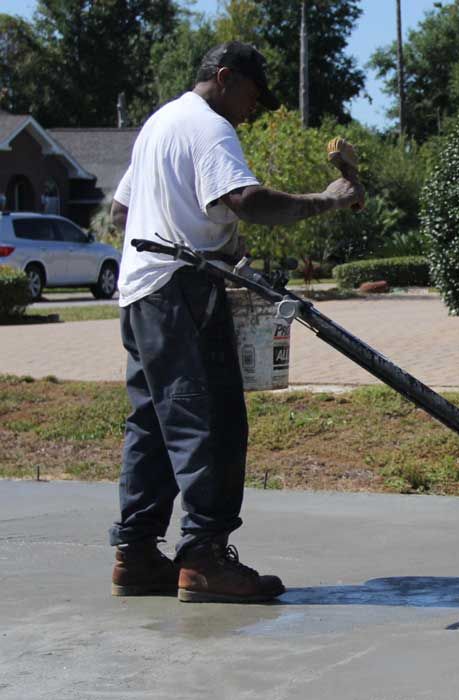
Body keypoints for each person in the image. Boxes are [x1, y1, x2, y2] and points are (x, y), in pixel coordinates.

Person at [107, 42, 364, 603]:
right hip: (181, 294)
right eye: (251, 93)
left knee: (152, 426)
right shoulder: (207, 126)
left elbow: (120, 212)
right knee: (213, 421)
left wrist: (196, 233)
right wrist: (329, 198)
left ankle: (136, 554)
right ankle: (203, 559)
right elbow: (247, 199)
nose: (253, 107)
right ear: (224, 78)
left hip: (139, 291)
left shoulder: (159, 123)